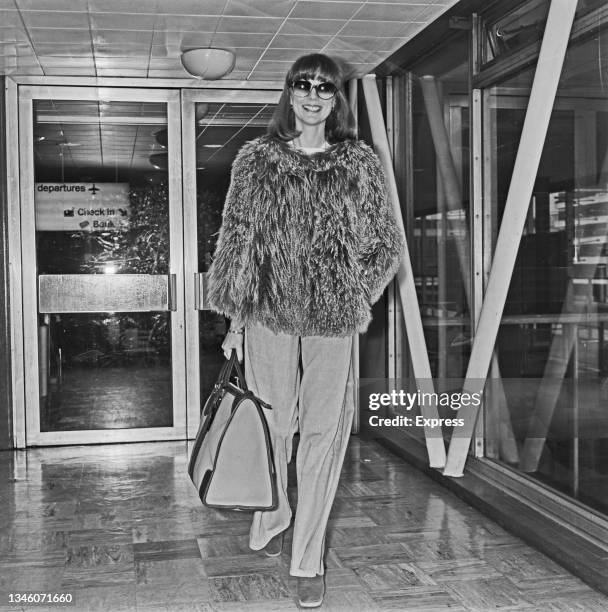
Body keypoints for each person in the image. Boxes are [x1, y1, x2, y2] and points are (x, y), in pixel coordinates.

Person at [207, 53, 403, 608]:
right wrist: (236, 321)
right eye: (303, 85)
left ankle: (307, 558)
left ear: (336, 99)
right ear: (289, 93)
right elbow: (238, 244)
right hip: (268, 312)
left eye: (325, 87)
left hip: (331, 321)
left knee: (323, 433)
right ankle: (274, 517)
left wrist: (352, 295)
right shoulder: (257, 162)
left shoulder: (357, 162)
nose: (314, 95)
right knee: (273, 425)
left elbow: (386, 246)